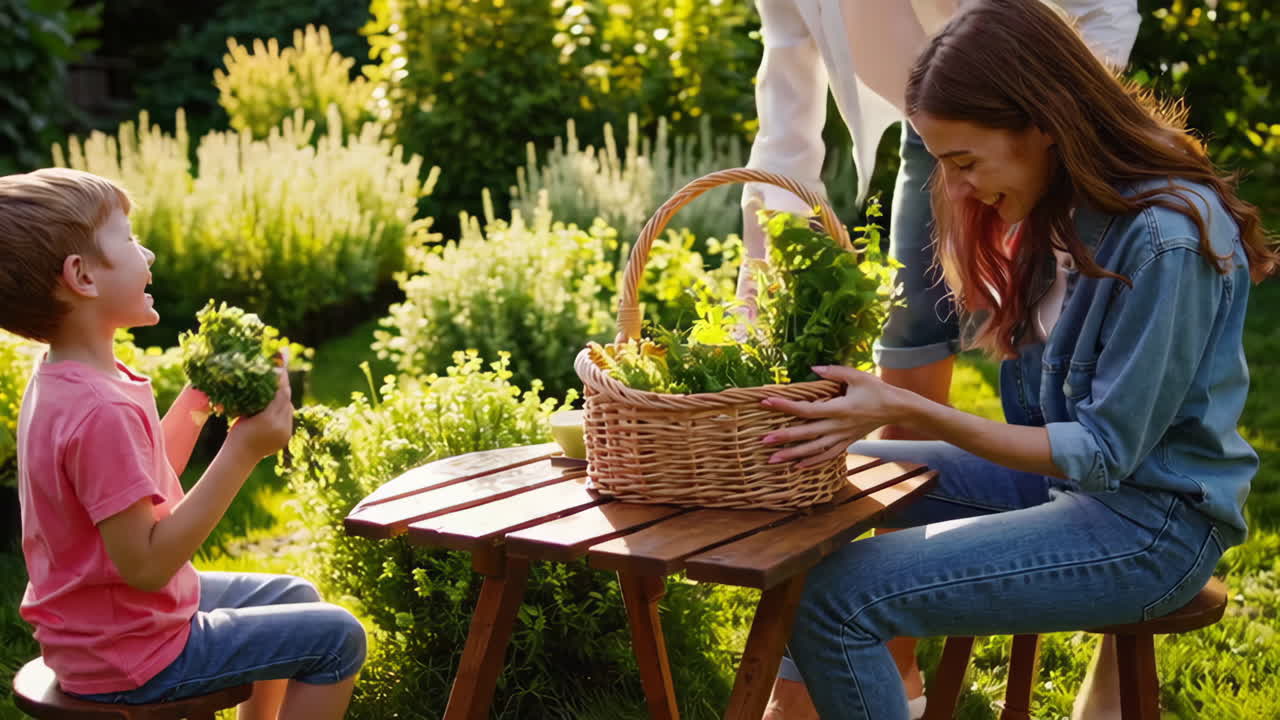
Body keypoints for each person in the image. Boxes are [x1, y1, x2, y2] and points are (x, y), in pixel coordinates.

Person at [755, 0, 1278, 717]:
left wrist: (909, 408)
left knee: (839, 600)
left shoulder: (1165, 239)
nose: (960, 188)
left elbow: (1101, 452)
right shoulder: (1055, 209)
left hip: (1151, 527)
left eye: (965, 162)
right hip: (1075, 494)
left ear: (1042, 123)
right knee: (836, 477)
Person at [0, 168, 366, 719]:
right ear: (82, 276)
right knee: (339, 637)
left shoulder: (70, 379)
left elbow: (139, 484)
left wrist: (200, 397)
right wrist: (243, 451)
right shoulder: (99, 408)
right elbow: (146, 565)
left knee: (295, 596)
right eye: (128, 240)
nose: (146, 256)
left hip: (101, 627)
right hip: (130, 654)